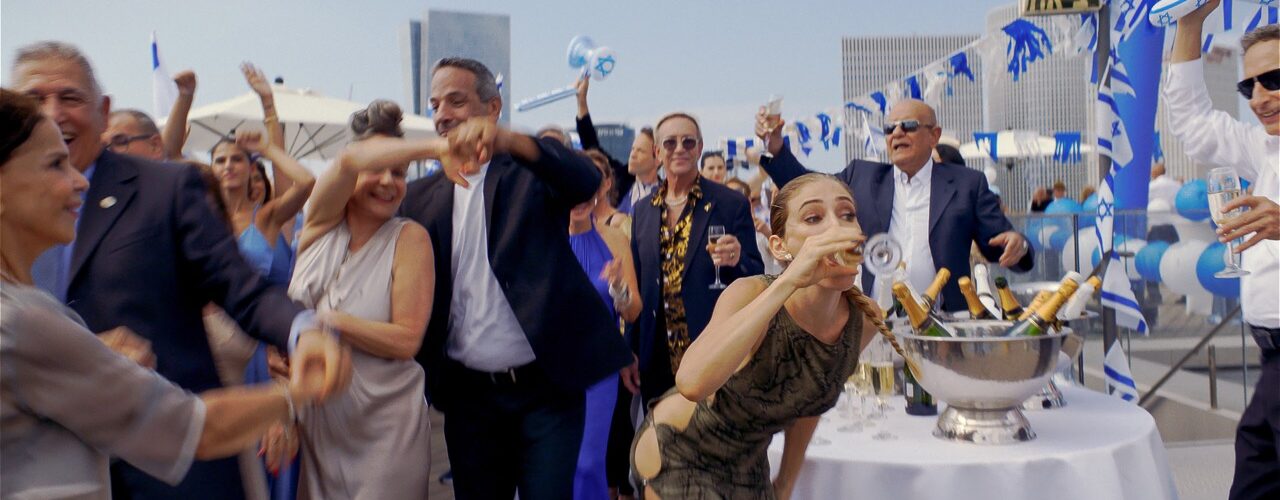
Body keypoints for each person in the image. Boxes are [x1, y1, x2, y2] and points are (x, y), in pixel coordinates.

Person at [12, 41, 350, 500]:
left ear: (103, 110)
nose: (52, 113)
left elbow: (241, 287)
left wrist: (302, 332)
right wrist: (82, 353)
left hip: (170, 468)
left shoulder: (164, 189)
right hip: (39, 468)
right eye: (34, 99)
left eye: (69, 97)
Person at [376, 57, 632, 499]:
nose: (443, 115)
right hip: (470, 398)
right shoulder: (418, 198)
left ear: (492, 108)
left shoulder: (529, 176)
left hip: (546, 393)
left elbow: (584, 179)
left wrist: (511, 140)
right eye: (435, 105)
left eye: (456, 101)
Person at [631, 173, 883, 499]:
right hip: (683, 449)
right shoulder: (751, 294)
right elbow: (691, 382)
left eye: (847, 214)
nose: (836, 227)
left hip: (749, 462)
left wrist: (786, 482)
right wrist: (789, 281)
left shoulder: (864, 320)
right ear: (780, 247)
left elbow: (811, 398)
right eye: (813, 218)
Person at [270, 100, 434, 499]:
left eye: (399, 172)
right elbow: (345, 161)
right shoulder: (318, 227)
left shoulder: (410, 239)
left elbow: (407, 340)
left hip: (385, 430)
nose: (388, 181)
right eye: (377, 168)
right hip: (318, 423)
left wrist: (322, 321)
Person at [756, 98, 1032, 314]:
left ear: (934, 135)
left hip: (944, 323)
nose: (897, 132)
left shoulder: (967, 184)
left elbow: (1002, 245)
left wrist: (1018, 245)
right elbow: (807, 188)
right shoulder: (861, 177)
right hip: (874, 321)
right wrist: (777, 149)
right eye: (890, 128)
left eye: (908, 125)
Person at [1166, 5, 1280, 499]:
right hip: (1271, 356)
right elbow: (1193, 124)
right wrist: (1189, 25)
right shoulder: (1265, 149)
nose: (1259, 98)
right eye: (1248, 86)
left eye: (1273, 80)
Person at [629, 111, 765, 405]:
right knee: (662, 434)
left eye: (688, 142)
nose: (679, 149)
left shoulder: (730, 203)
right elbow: (638, 285)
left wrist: (738, 258)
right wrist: (632, 351)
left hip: (715, 356)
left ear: (699, 148)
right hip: (657, 362)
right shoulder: (642, 211)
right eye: (670, 143)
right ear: (657, 152)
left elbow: (757, 275)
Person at [565, 152, 642, 500]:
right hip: (548, 370)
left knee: (587, 464)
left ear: (601, 189)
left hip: (599, 369)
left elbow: (633, 311)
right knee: (548, 465)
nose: (580, 194)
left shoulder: (614, 240)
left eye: (589, 185)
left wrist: (619, 288)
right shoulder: (543, 236)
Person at [575, 74, 637, 212]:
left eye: (640, 150)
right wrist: (581, 101)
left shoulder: (663, 192)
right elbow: (591, 144)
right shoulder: (620, 175)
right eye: (633, 149)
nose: (634, 154)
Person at [584, 149, 631, 238]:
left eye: (598, 175)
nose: (593, 182)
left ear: (608, 183)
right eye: (587, 175)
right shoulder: (578, 221)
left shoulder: (620, 222)